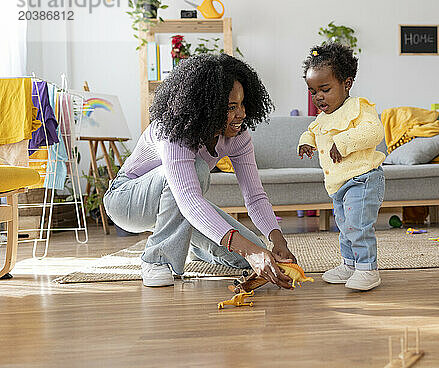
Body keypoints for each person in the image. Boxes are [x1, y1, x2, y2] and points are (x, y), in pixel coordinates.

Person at [103, 54, 296, 288]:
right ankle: (157, 259)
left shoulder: (239, 137)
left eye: (243, 104)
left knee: (249, 251)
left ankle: (190, 245)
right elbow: (189, 200)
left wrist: (277, 240)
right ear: (207, 107)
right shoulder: (172, 131)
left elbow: (255, 196)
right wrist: (250, 250)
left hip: (178, 207)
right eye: (231, 107)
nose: (241, 114)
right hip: (126, 201)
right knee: (198, 169)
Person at [298, 43, 385, 291]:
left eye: (325, 89)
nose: (319, 97)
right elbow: (312, 132)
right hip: (338, 185)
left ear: (347, 83)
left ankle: (368, 269)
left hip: (363, 178)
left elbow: (374, 131)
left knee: (358, 226)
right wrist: (305, 142)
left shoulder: (359, 107)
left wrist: (344, 141)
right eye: (313, 92)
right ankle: (349, 264)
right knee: (345, 228)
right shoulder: (322, 118)